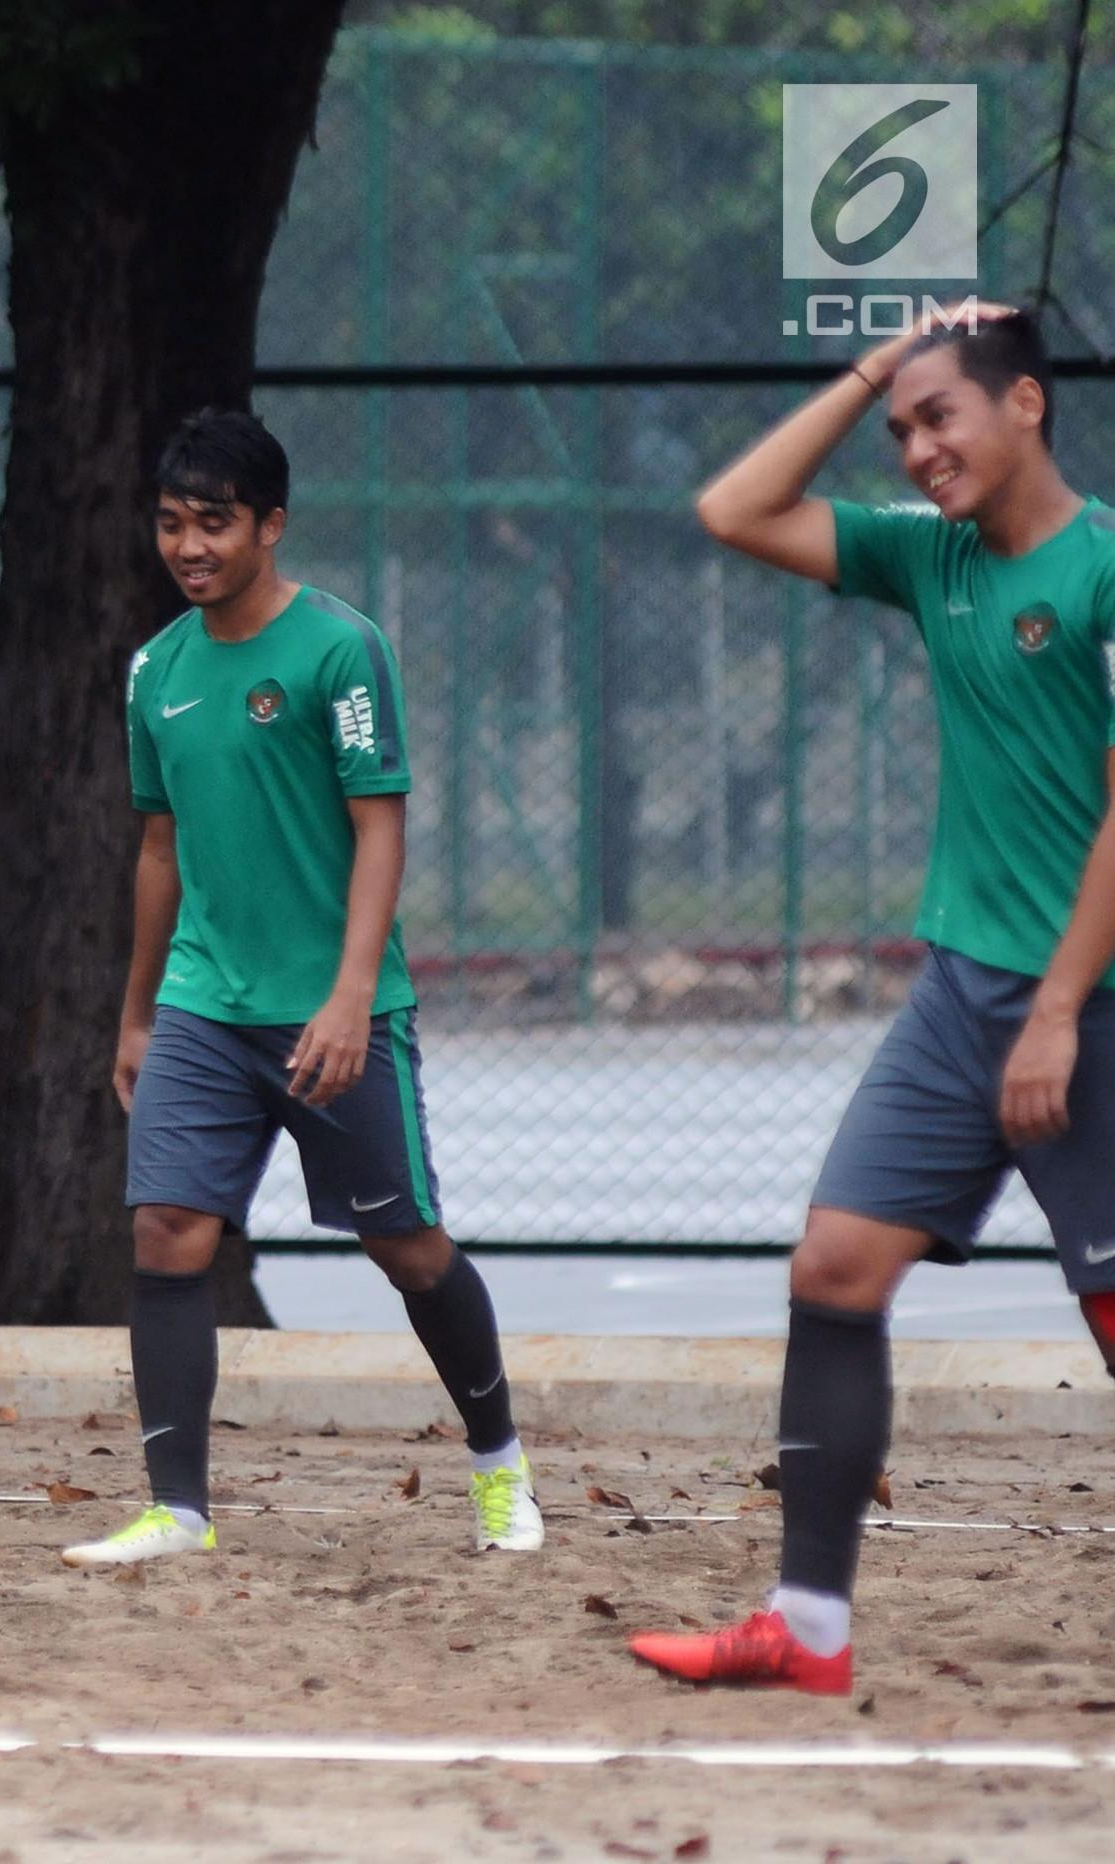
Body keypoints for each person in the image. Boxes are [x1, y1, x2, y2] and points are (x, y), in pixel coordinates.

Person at [638, 306, 1115, 1694]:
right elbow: (733, 506)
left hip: (1084, 1007)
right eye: (901, 429)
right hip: (963, 995)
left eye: (938, 418)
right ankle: (809, 1627)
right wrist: (868, 372)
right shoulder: (932, 560)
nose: (915, 449)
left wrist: (1061, 1010)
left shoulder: (1103, 571)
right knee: (834, 1272)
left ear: (1025, 405)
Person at [67, 408, 539, 1571]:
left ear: (270, 526)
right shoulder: (154, 668)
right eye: (171, 523)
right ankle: (176, 1507)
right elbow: (158, 847)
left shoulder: (340, 648)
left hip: (338, 1010)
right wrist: (135, 1014)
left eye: (213, 524)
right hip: (201, 1005)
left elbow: (380, 828)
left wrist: (346, 995)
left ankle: (499, 1469)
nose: (189, 546)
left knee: (409, 1250)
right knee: (168, 1231)